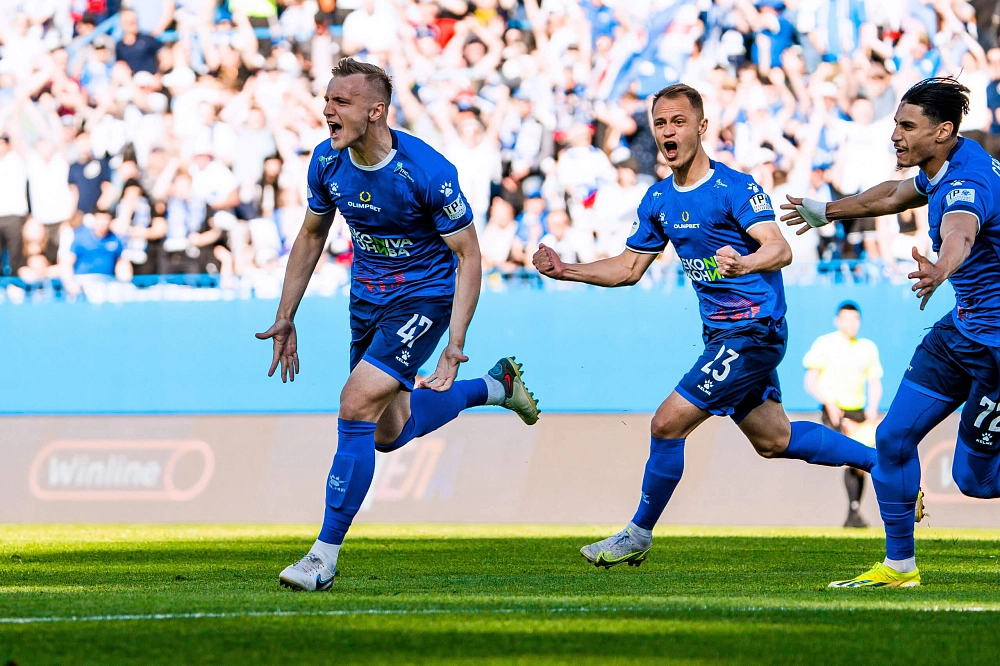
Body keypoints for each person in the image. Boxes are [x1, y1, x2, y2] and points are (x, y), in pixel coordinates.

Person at [532, 84, 878, 569]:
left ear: (701, 127)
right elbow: (629, 269)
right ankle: (880, 463)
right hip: (722, 337)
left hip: (754, 331)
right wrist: (567, 270)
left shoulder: (734, 188)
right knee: (774, 440)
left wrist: (746, 262)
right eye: (660, 123)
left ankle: (638, 533)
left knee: (666, 423)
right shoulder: (658, 199)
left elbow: (780, 247)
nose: (668, 132)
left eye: (678, 121)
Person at [256, 58, 540, 592]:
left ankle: (322, 557)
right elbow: (312, 235)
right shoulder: (326, 162)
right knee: (388, 433)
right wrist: (285, 314)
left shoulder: (427, 171)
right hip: (367, 301)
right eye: (327, 99)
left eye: (341, 102)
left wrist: (454, 344)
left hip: (424, 300)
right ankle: (496, 387)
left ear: (376, 111)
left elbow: (469, 257)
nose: (327, 110)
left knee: (355, 403)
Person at [782, 77, 1000, 588]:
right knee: (893, 437)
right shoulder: (946, 163)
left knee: (974, 481)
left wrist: (941, 268)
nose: (896, 135)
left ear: (942, 130)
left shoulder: (968, 183)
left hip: (995, 350)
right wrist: (827, 211)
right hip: (962, 331)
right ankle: (900, 566)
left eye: (907, 126)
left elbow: (960, 231)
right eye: (896, 124)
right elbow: (896, 193)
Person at [802, 301, 884, 528]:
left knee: (860, 462)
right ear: (837, 321)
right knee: (851, 457)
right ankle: (852, 512)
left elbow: (875, 382)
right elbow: (810, 380)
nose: (851, 323)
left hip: (858, 413)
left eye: (855, 319)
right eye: (846, 319)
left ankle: (853, 512)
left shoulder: (867, 347)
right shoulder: (825, 344)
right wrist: (828, 402)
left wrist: (872, 408)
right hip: (834, 411)